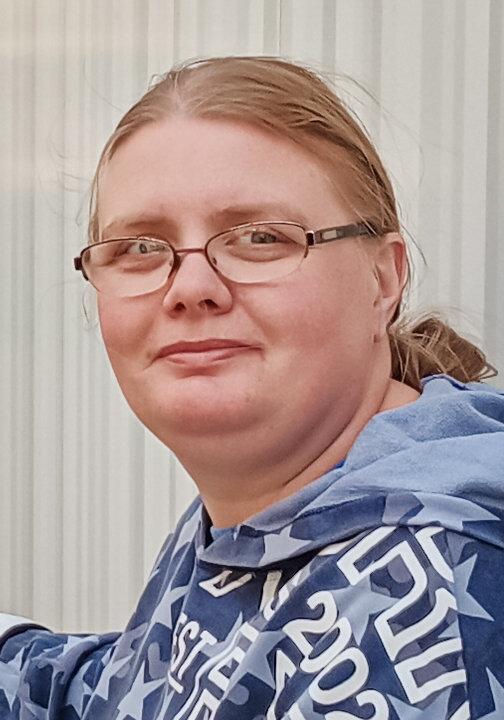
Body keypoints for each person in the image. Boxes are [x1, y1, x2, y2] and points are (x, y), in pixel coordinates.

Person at [1, 56, 503, 720]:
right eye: (141, 248)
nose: (190, 289)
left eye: (260, 237)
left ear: (384, 280)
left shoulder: (415, 599)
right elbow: (136, 694)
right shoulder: (276, 512)